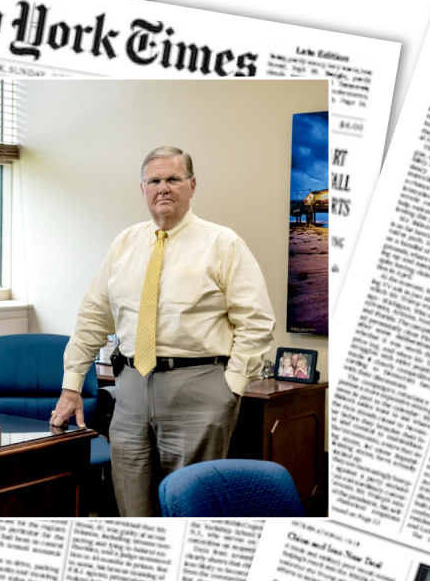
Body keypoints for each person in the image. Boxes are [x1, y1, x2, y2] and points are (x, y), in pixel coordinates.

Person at [50, 146, 275, 516]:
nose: (163, 188)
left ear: (192, 185)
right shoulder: (124, 243)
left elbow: (256, 321)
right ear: (142, 189)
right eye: (154, 181)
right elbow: (93, 316)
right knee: (132, 506)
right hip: (132, 391)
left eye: (173, 179)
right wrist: (72, 385)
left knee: (190, 509)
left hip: (200, 389)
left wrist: (230, 387)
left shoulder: (223, 244)